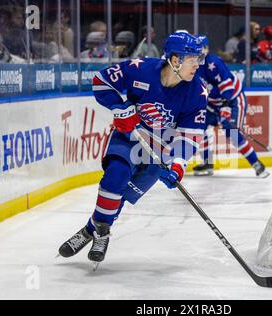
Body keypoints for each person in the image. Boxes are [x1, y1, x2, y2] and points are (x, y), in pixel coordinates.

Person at [58, 32, 208, 264]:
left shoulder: (197, 92)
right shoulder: (140, 69)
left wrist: (178, 164)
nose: (198, 65)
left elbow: (190, 136)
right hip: (130, 136)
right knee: (114, 178)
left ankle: (91, 230)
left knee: (122, 195)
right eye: (193, 59)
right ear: (176, 60)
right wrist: (120, 108)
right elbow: (101, 81)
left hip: (160, 151)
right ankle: (103, 234)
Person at [193, 35, 269, 178]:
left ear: (206, 49)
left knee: (231, 133)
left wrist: (226, 107)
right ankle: (207, 163)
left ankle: (256, 164)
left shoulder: (213, 63)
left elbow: (226, 85)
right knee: (199, 127)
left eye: (201, 48)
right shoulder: (192, 63)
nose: (198, 52)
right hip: (212, 103)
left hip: (233, 100)